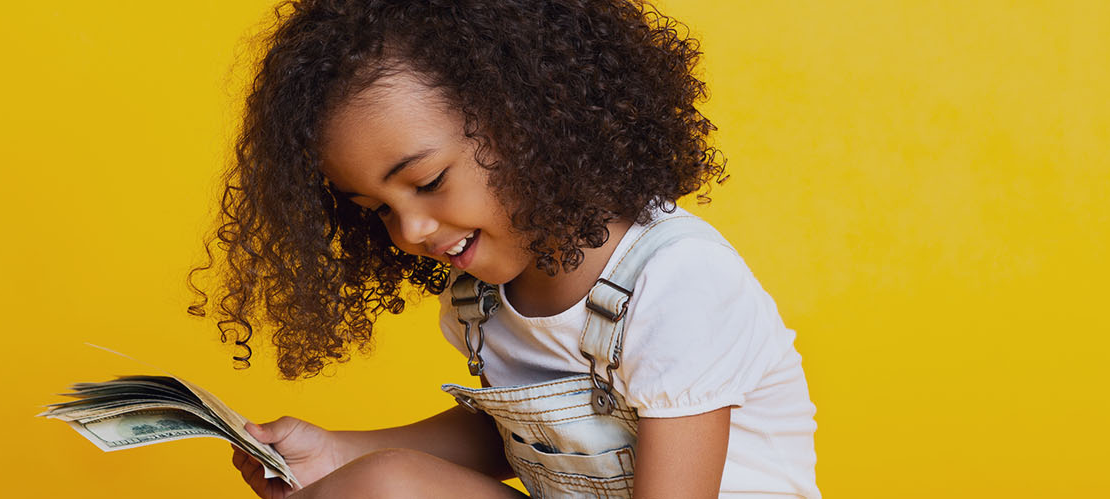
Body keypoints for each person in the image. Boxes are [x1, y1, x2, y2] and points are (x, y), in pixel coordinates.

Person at [189, 1, 819, 497]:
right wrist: (338, 454)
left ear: (527, 120)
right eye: (379, 209)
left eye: (429, 182)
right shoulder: (478, 303)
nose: (410, 231)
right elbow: (533, 442)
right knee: (379, 488)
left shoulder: (678, 282)